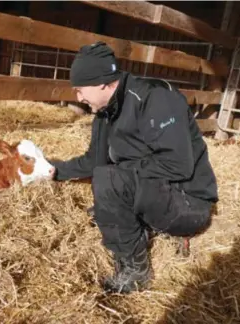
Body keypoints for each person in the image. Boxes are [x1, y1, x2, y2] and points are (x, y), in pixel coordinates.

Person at [48, 41, 218, 294]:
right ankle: (144, 227)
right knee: (105, 195)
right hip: (158, 196)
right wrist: (54, 170)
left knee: (110, 181)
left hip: (189, 204)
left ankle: (135, 273)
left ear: (103, 82)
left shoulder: (156, 98)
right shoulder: (106, 113)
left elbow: (178, 164)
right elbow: (93, 161)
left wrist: (121, 176)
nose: (78, 97)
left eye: (80, 89)